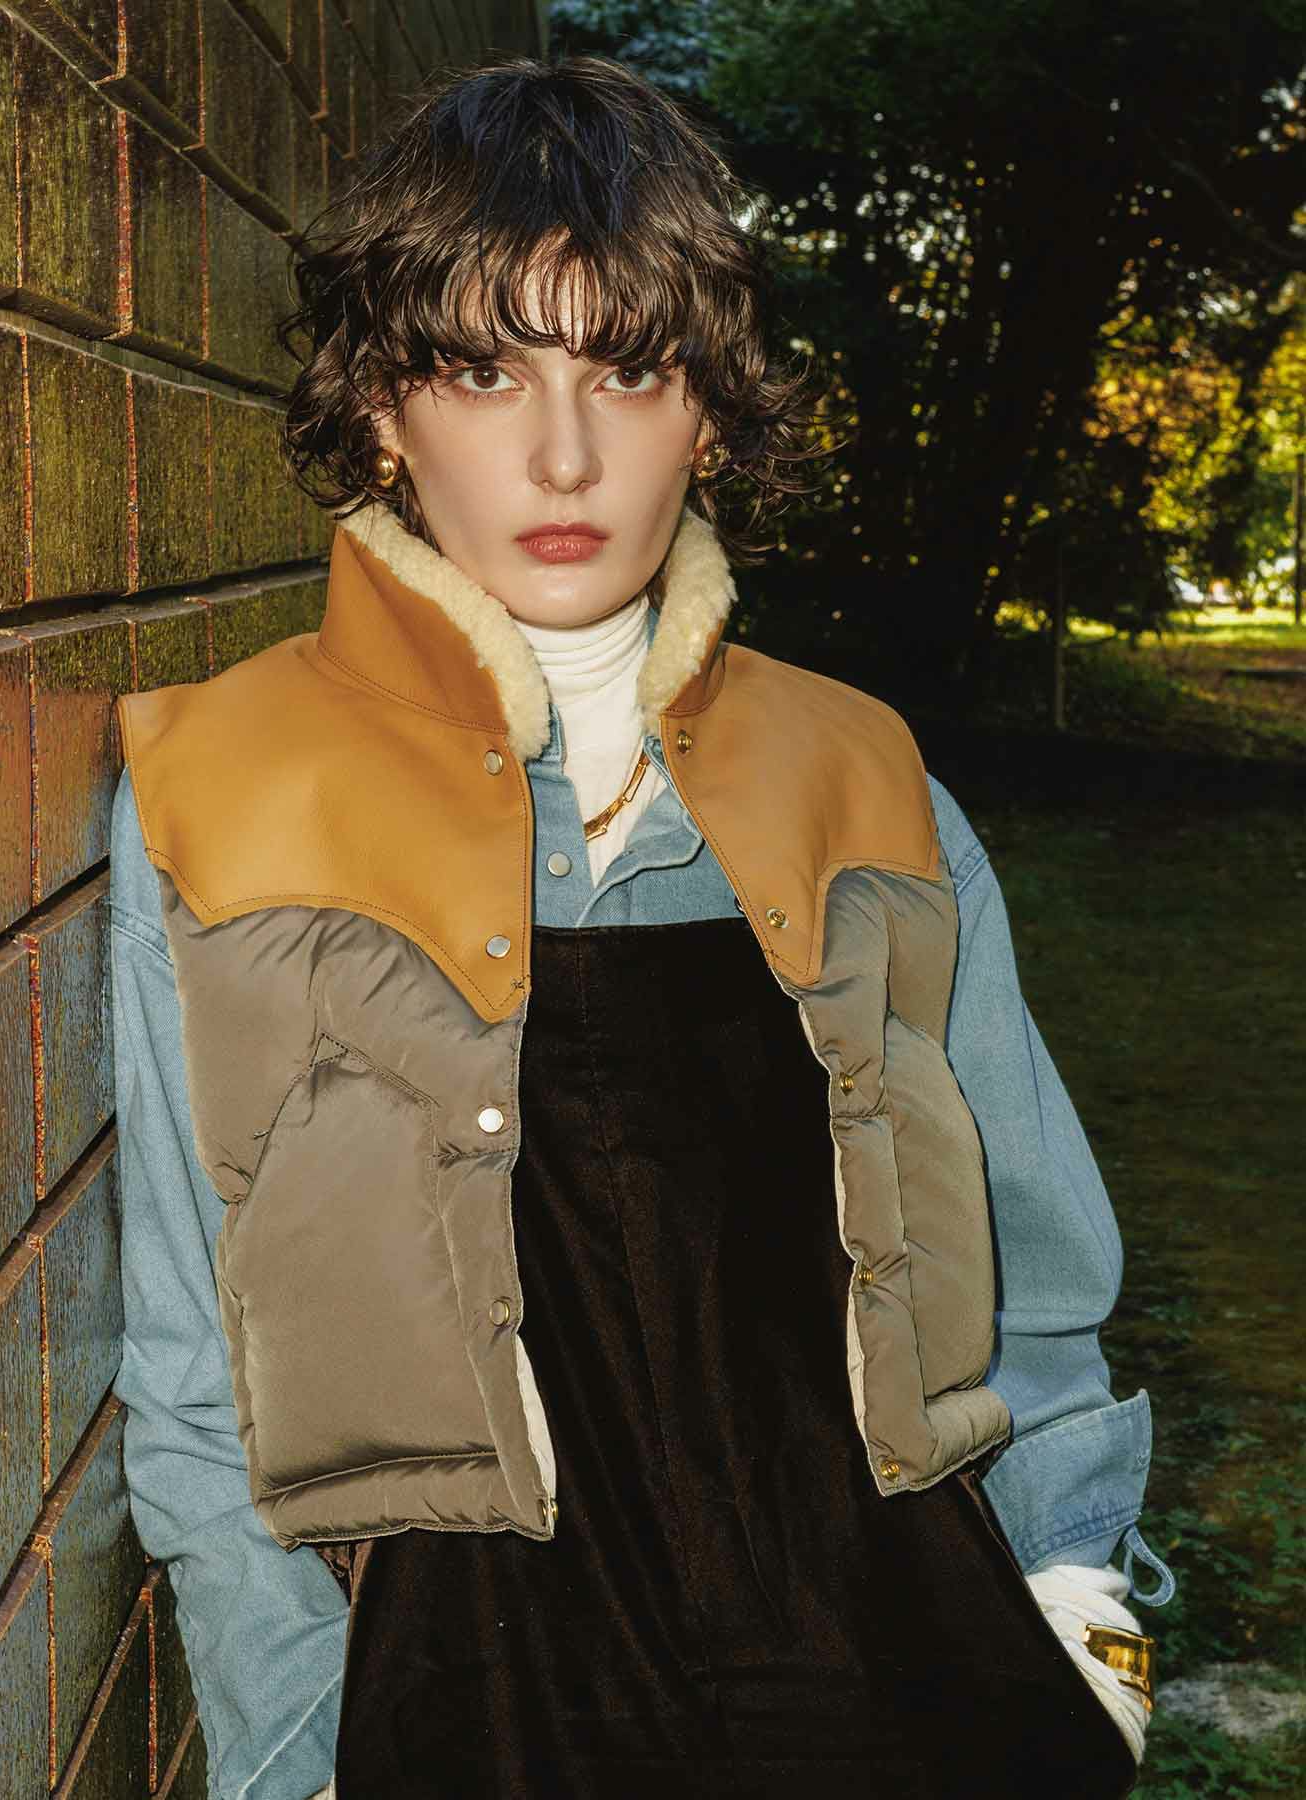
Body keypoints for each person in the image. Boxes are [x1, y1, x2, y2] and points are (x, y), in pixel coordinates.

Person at [108, 52, 1175, 1800]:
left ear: (711, 416)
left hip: (907, 1698)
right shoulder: (215, 792)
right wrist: (301, 1756)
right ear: (382, 412)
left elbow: (1039, 1282)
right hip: (477, 1724)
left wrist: (1082, 1621)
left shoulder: (866, 778)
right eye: (483, 369)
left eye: (629, 368)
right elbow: (190, 1381)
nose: (564, 452)